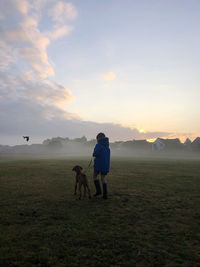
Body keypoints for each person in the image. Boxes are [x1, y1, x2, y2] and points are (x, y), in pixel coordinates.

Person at [93, 132, 110, 199]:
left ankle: (98, 191)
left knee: (95, 176)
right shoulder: (107, 145)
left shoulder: (98, 145)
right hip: (105, 164)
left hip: (98, 164)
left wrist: (94, 153)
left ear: (99, 138)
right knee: (103, 178)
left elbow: (95, 153)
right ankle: (105, 195)